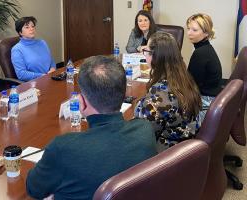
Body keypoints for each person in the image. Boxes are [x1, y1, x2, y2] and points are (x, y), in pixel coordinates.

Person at [26, 55, 157, 199]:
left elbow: (33, 188)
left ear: (81, 102)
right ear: (123, 94)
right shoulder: (144, 129)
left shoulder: (62, 148)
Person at [134, 32, 202, 151]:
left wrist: (138, 106)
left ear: (156, 56)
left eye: (147, 51)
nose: (144, 55)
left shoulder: (159, 95)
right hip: (185, 144)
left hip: (167, 153)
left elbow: (143, 134)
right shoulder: (183, 76)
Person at [186, 13, 222, 119]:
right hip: (211, 98)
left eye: (194, 30)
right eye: (188, 29)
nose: (189, 33)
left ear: (206, 33)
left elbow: (191, 85)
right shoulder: (206, 48)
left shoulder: (200, 53)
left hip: (205, 104)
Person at [11, 16, 56, 81]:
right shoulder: (17, 49)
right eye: (27, 27)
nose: (31, 29)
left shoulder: (42, 42)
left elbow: (51, 60)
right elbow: (21, 74)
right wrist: (43, 76)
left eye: (32, 26)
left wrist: (53, 69)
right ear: (20, 32)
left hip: (50, 78)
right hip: (34, 84)